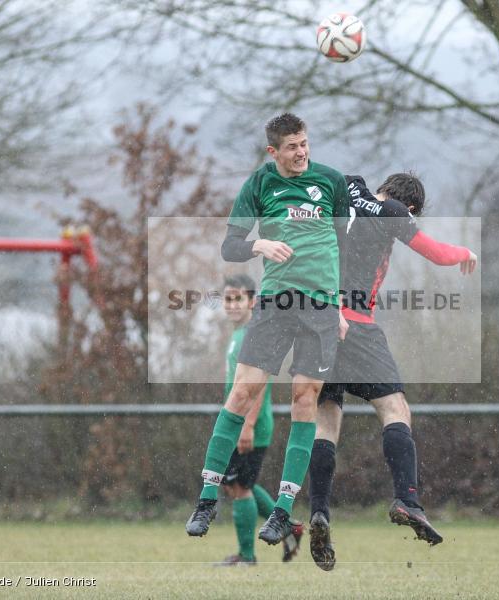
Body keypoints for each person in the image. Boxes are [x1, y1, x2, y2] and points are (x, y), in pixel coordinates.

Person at [186, 113, 351, 547]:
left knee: (304, 399)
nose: (302, 152)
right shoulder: (260, 185)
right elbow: (230, 245)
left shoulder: (332, 183)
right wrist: (258, 243)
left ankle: (282, 510)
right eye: (292, 147)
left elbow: (343, 249)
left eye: (305, 143)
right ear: (272, 151)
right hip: (276, 303)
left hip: (320, 306)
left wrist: (340, 306)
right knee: (242, 394)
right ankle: (206, 498)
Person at [308, 172, 478, 571]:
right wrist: (464, 253)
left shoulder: (346, 187)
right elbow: (435, 253)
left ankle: (319, 511)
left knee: (325, 418)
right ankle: (408, 497)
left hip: (319, 322)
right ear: (413, 207)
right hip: (358, 325)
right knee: (394, 409)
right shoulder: (393, 212)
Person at [215, 274, 304, 566]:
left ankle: (247, 556)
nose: (232, 305)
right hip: (238, 424)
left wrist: (248, 425)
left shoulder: (253, 334)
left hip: (250, 425)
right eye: (228, 299)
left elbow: (259, 387)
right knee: (238, 484)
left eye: (238, 298)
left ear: (252, 301)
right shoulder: (239, 334)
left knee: (239, 487)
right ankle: (288, 526)